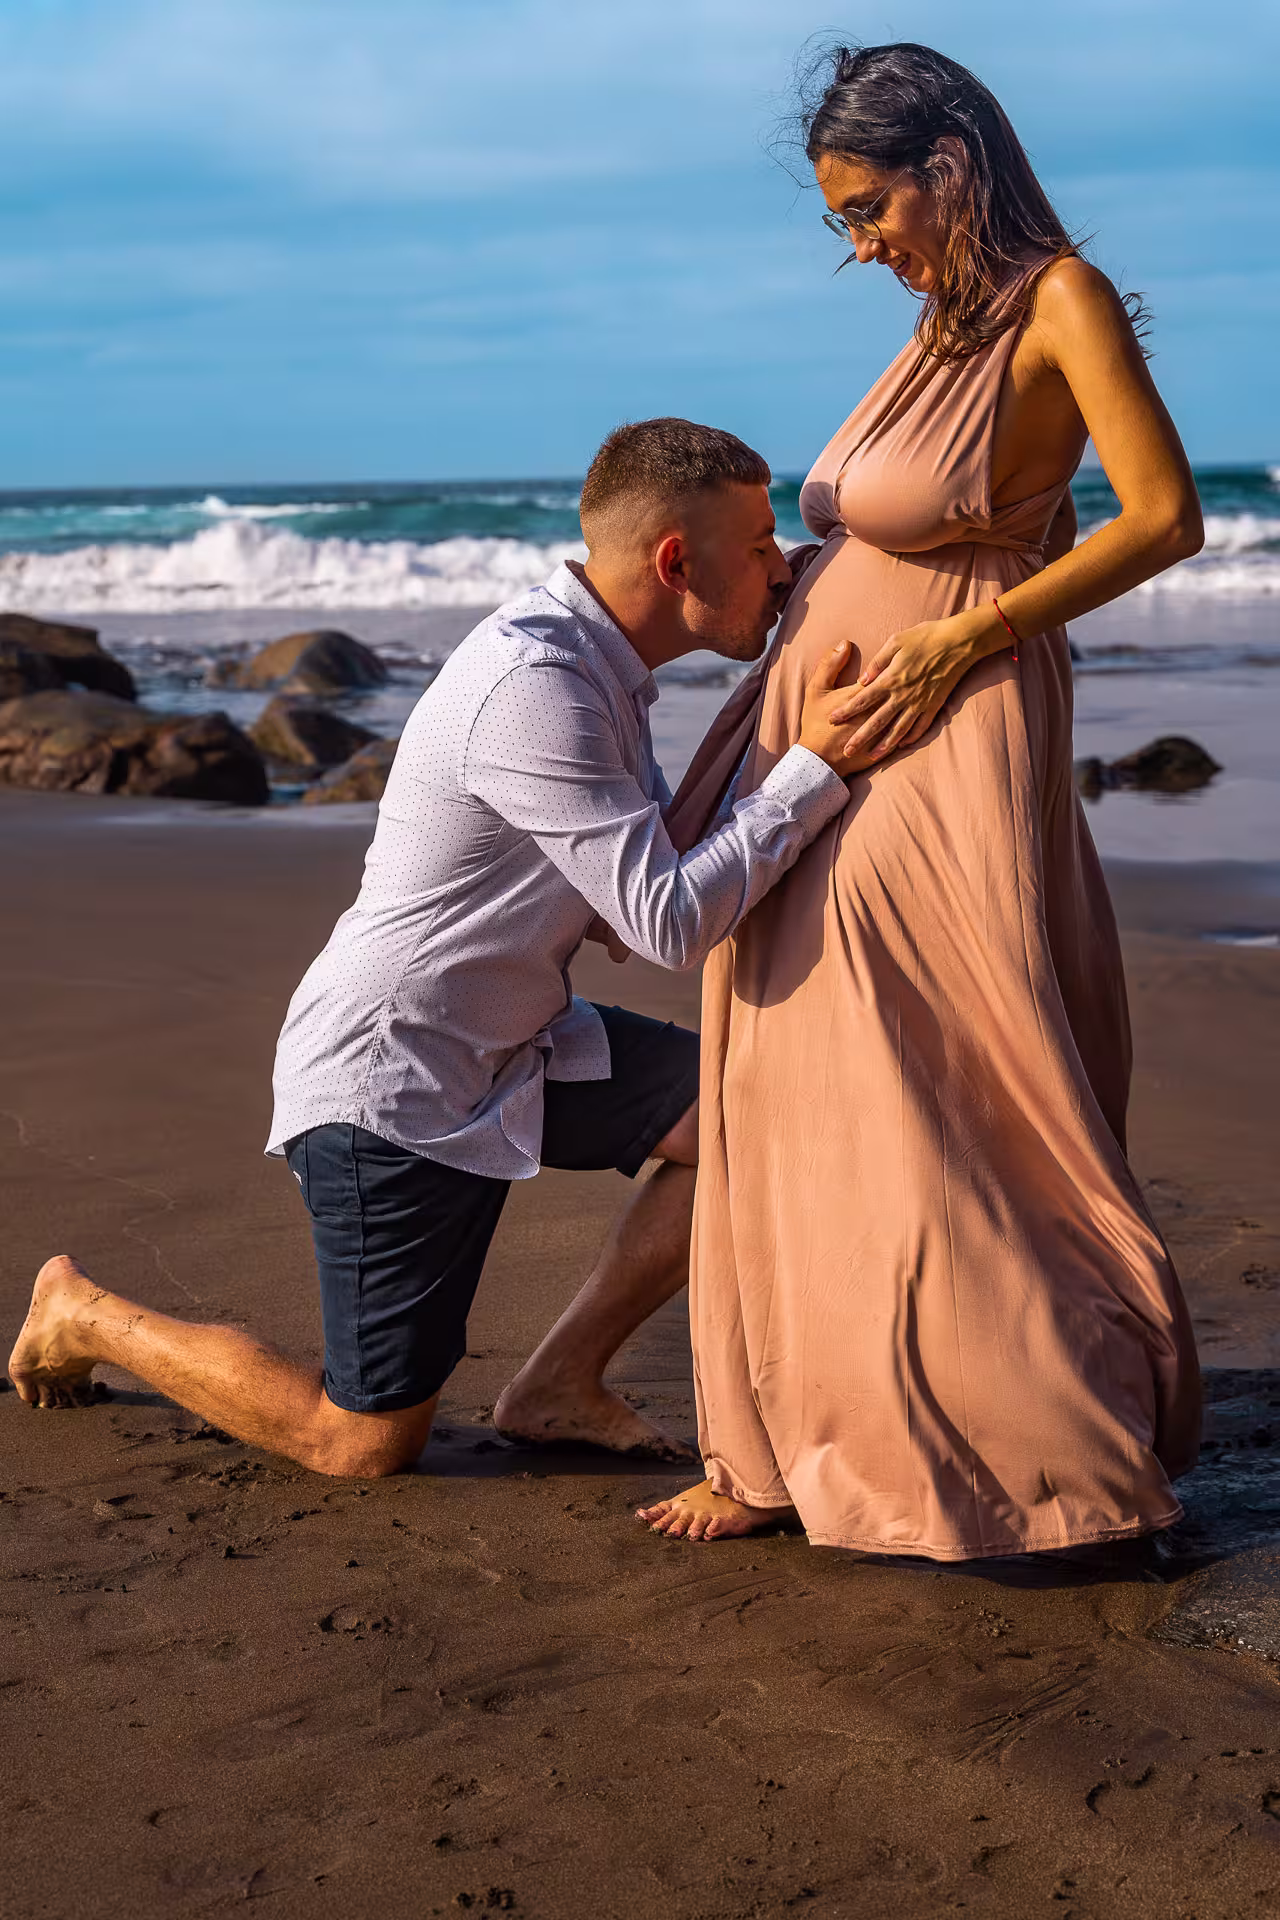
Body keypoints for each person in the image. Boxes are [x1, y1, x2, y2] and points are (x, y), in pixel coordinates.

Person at [9, 418, 872, 1480]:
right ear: (673, 561)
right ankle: (83, 1310)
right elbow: (664, 924)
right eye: (758, 542)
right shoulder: (536, 689)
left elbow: (614, 903)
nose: (781, 568)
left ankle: (555, 1383)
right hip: (393, 1082)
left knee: (751, 1119)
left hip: (521, 1038)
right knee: (363, 1440)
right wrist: (810, 770)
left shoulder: (599, 671)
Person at [640, 43, 1204, 1553]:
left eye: (867, 207)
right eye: (841, 219)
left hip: (944, 727)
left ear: (949, 163)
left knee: (938, 1067)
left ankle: (1027, 1452)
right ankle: (790, 1433)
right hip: (842, 733)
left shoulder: (1056, 303)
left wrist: (965, 632)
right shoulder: (941, 325)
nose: (859, 244)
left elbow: (1165, 517)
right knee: (785, 1061)